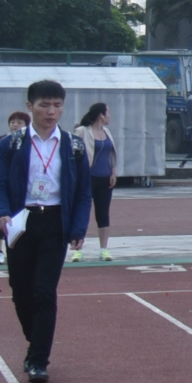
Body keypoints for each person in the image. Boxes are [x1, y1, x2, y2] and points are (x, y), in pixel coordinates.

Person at [0, 80, 92, 383]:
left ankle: (38, 359)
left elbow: (83, 193)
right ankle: (36, 340)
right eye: (45, 105)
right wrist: (1, 213)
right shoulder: (11, 144)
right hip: (20, 222)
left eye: (57, 105)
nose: (51, 111)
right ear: (30, 106)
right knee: (21, 291)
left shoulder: (73, 146)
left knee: (45, 291)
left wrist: (78, 228)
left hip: (55, 222)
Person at [72, 103, 119, 263]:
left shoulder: (107, 132)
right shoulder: (82, 131)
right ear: (101, 115)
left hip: (105, 178)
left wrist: (113, 172)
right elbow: (75, 154)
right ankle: (78, 250)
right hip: (87, 178)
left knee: (103, 213)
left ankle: (104, 249)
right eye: (108, 113)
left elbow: (111, 154)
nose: (109, 116)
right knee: (82, 212)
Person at [0, 110, 27, 264]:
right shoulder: (1, 141)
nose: (15, 125)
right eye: (12, 122)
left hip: (21, 189)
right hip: (2, 186)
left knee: (20, 221)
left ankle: (18, 250)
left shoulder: (30, 141)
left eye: (19, 123)